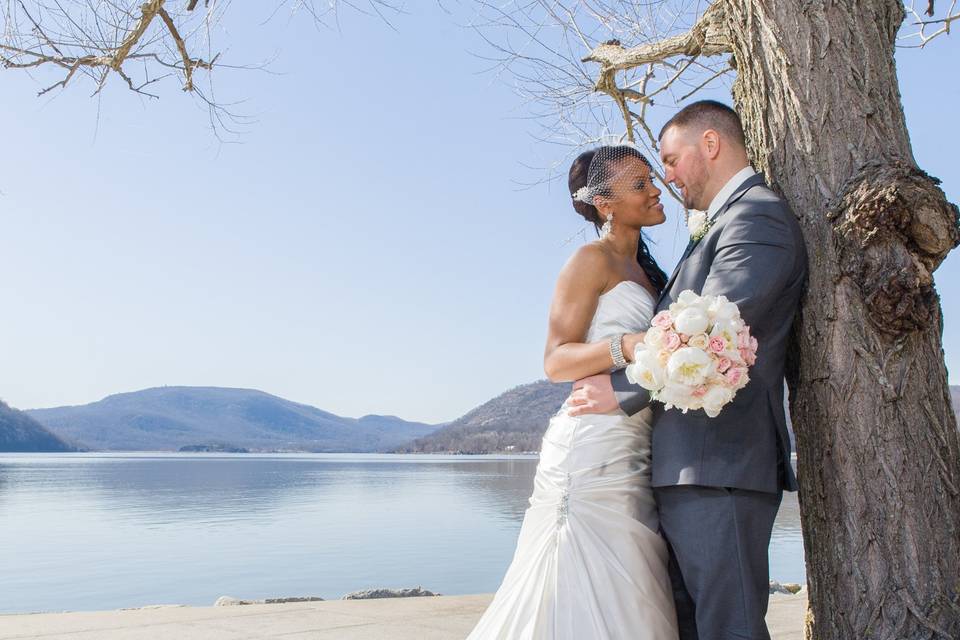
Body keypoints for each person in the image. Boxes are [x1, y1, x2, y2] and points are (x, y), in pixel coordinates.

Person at [568, 100, 808, 640]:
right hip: (690, 466)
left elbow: (714, 335)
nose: (667, 178)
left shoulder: (758, 216)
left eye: (671, 161)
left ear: (711, 145)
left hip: (719, 463)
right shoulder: (723, 221)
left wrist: (621, 392)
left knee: (729, 629)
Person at [465, 144, 679, 639]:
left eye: (652, 179)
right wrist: (629, 344)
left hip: (635, 446)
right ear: (605, 203)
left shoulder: (649, 273)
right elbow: (556, 360)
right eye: (640, 185)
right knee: (572, 584)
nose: (655, 190)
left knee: (633, 587)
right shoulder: (590, 261)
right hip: (590, 446)